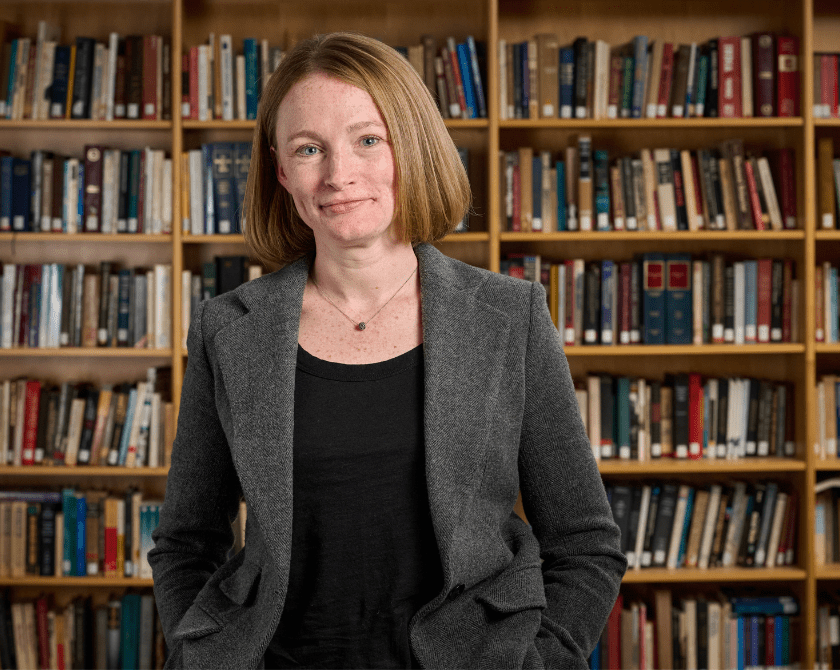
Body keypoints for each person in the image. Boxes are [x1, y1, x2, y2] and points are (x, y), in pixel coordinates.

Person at [149, 31, 627, 669]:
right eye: (309, 148)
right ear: (281, 170)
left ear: (410, 147)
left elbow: (584, 542)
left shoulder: (508, 318)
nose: (339, 174)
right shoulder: (228, 330)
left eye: (367, 140)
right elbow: (186, 541)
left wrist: (539, 663)